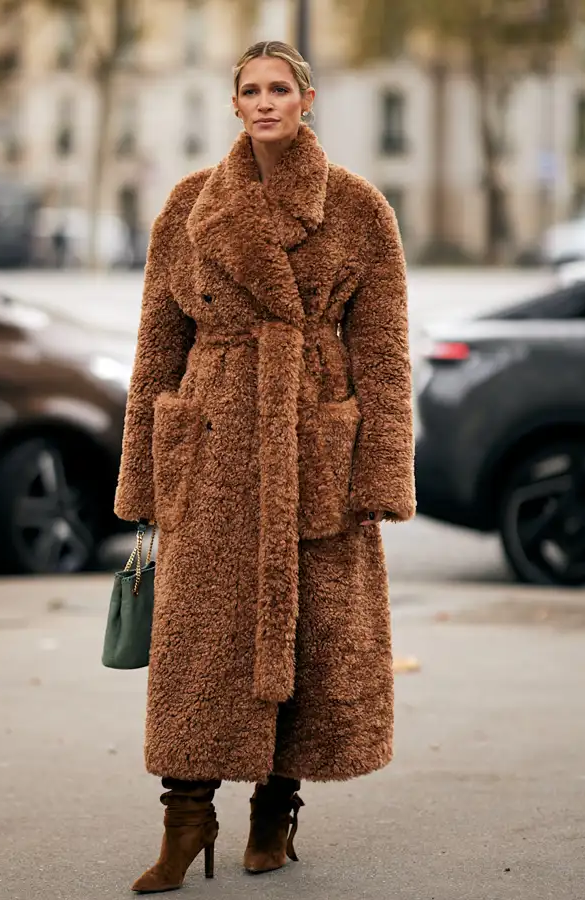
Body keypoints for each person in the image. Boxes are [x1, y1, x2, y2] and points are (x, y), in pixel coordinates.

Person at [114, 39, 415, 894]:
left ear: (307, 98)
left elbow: (385, 355)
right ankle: (185, 815)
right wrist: (141, 473)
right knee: (199, 641)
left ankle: (275, 811)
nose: (267, 101)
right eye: (251, 90)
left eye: (281, 87)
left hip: (310, 438)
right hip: (210, 443)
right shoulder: (187, 207)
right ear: (234, 103)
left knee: (311, 633)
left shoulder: (358, 209)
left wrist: (382, 473)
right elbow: (155, 351)